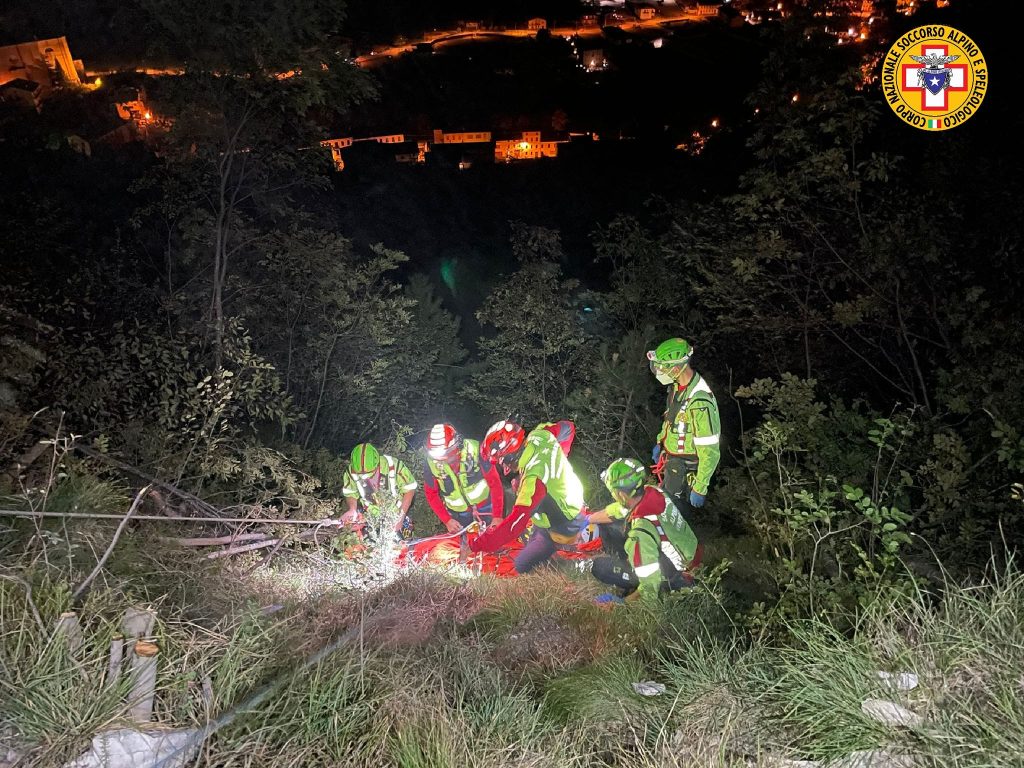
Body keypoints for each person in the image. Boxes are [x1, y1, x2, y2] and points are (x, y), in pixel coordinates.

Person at [469, 419, 587, 573]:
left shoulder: (533, 480)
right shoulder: (540, 435)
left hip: (565, 522)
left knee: (522, 565)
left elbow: (514, 526)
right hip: (569, 498)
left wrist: (477, 545)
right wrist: (560, 456)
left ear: (510, 457)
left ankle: (575, 562)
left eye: (502, 461)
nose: (503, 466)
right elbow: (568, 427)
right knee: (519, 489)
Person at [588, 457, 702, 601]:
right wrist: (587, 519)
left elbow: (649, 587)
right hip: (693, 557)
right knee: (613, 527)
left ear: (621, 494)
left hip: (678, 578)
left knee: (600, 567)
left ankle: (660, 587)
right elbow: (620, 510)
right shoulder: (652, 491)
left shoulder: (640, 533)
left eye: (613, 492)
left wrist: (622, 603)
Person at [648, 337, 721, 510]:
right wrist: (661, 442)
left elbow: (710, 451)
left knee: (673, 513)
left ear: (675, 369)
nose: (659, 371)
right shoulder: (676, 387)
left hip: (686, 469)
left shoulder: (699, 401)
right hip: (673, 462)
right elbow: (671, 420)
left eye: (661, 368)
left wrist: (700, 488)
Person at [422, 423, 505, 534]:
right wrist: (447, 520)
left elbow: (494, 482)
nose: (441, 460)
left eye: (445, 455)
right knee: (466, 543)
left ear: (455, 446)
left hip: (487, 506)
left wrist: (497, 516)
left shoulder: (476, 450)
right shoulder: (431, 464)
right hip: (459, 516)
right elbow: (431, 494)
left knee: (496, 537)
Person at [339, 443, 417, 540]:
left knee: (404, 543)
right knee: (362, 543)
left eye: (369, 473)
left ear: (377, 463)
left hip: (396, 512)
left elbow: (409, 489)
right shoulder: (351, 471)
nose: (365, 477)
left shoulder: (393, 466)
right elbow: (350, 493)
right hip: (370, 515)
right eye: (361, 474)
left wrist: (400, 517)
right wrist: (352, 509)